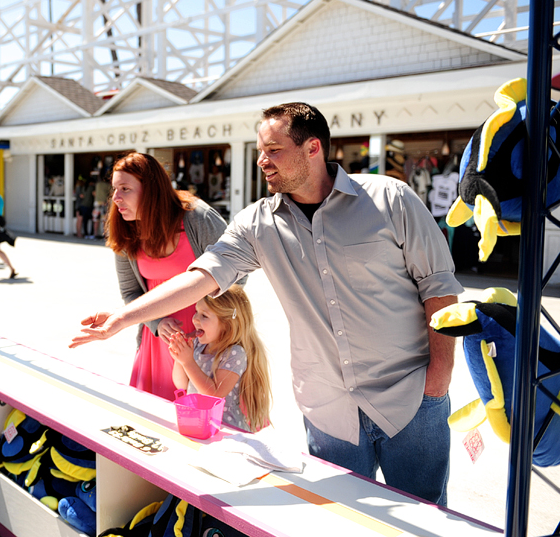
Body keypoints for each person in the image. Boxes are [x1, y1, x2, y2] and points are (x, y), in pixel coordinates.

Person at [72, 103, 461, 506]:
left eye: (273, 150)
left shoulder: (390, 198)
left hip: (412, 401)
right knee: (339, 523)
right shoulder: (257, 223)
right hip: (329, 411)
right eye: (261, 150)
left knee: (423, 518)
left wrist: (437, 381)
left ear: (312, 148)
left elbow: (439, 288)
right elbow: (200, 277)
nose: (262, 160)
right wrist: (123, 318)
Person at [102, 153, 229, 401]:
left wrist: (207, 320)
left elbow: (235, 275)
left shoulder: (198, 218)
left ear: (151, 191)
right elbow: (131, 293)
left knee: (206, 425)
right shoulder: (125, 229)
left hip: (208, 342)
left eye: (125, 189)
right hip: (158, 341)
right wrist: (156, 323)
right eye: (115, 189)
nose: (116, 198)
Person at [168, 285, 271, 432]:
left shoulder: (235, 354)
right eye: (196, 312)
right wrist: (179, 359)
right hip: (197, 422)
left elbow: (215, 395)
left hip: (224, 429)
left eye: (204, 316)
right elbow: (181, 384)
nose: (195, 319)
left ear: (227, 324)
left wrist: (188, 362)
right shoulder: (198, 344)